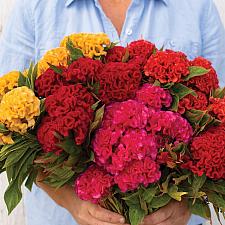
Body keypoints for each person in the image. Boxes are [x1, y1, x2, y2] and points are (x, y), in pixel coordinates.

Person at [0, 0, 225, 225]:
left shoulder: (197, 6)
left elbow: (219, 114)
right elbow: (9, 129)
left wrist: (187, 201)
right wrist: (70, 200)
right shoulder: (33, 8)